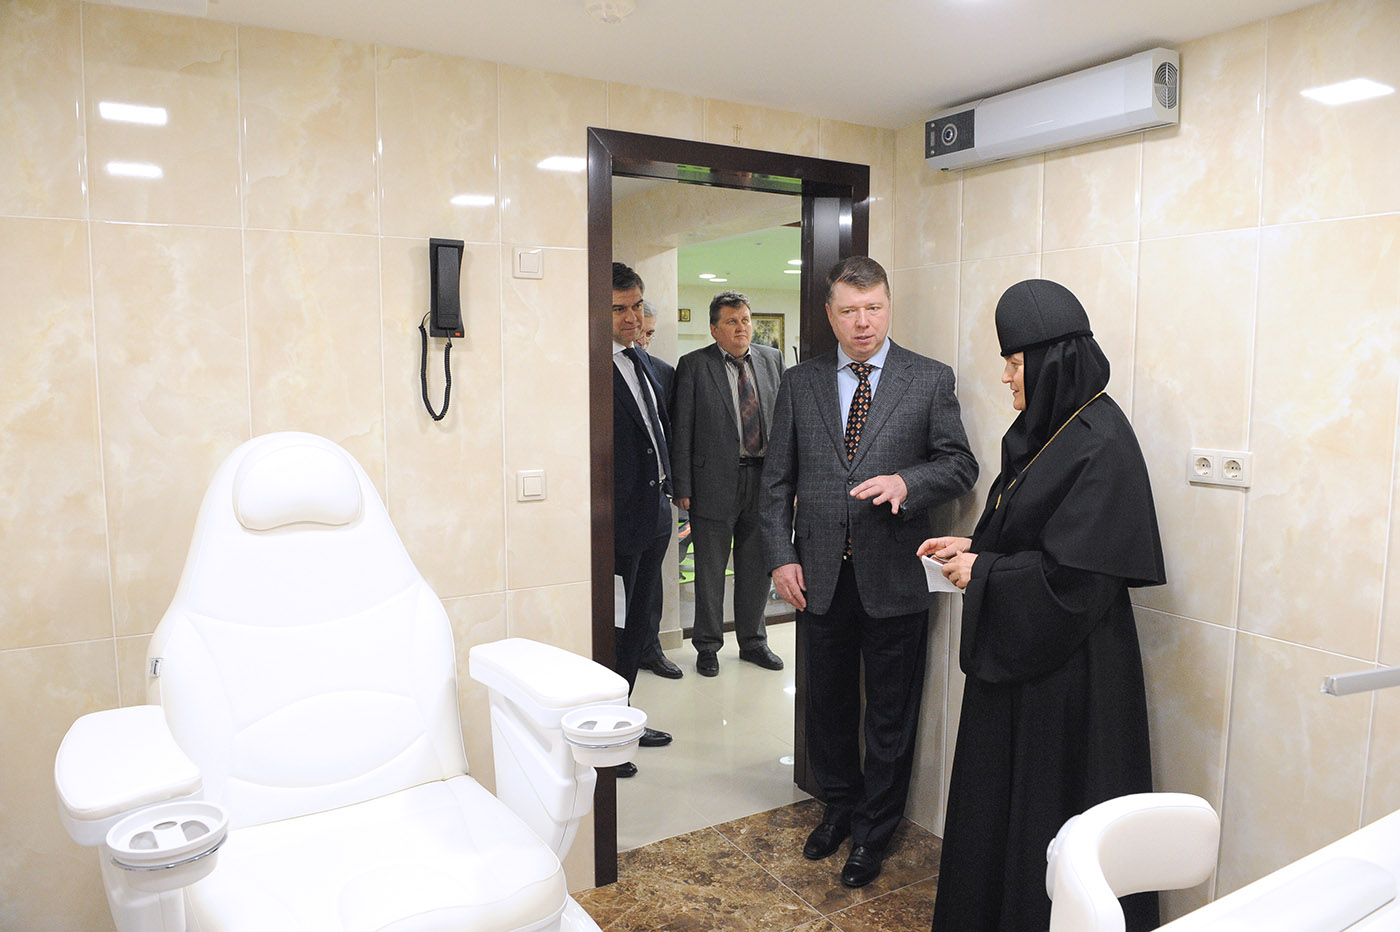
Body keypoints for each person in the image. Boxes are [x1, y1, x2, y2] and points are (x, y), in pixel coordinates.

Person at [922, 279, 1165, 932]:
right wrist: (976, 546)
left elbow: (1076, 584)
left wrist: (984, 571)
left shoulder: (1102, 441)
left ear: (1050, 359)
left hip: (1070, 681)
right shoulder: (1056, 430)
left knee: (1048, 824)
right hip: (1027, 662)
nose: (1004, 376)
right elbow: (1038, 533)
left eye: (1013, 361)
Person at [761, 256, 977, 887]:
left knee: (889, 713)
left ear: (889, 306)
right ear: (830, 315)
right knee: (826, 706)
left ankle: (874, 831)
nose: (864, 322)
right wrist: (780, 555)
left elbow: (959, 464)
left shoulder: (928, 378)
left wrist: (907, 481)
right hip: (819, 575)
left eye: (874, 308)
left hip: (895, 575)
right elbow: (775, 483)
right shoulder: (800, 383)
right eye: (850, 311)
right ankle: (838, 807)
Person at [671, 291, 786, 676]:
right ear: (714, 328)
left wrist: (789, 479)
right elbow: (682, 429)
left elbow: (785, 422)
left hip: (764, 480)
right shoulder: (694, 365)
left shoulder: (772, 360)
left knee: (756, 569)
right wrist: (682, 486)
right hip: (712, 483)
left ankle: (753, 642)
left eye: (746, 320)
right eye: (732, 322)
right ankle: (707, 646)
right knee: (710, 571)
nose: (741, 328)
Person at [609, 262, 676, 775]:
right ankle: (607, 733)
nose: (632, 318)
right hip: (615, 523)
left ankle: (625, 718)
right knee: (612, 628)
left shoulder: (643, 362)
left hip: (656, 514)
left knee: (638, 625)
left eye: (636, 306)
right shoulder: (588, 368)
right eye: (619, 309)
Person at [633, 300, 684, 680]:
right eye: (640, 332)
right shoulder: (599, 368)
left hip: (658, 497)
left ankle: (650, 647)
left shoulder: (663, 373)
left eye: (649, 333)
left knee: (652, 580)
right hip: (620, 496)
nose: (643, 340)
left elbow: (672, 434)